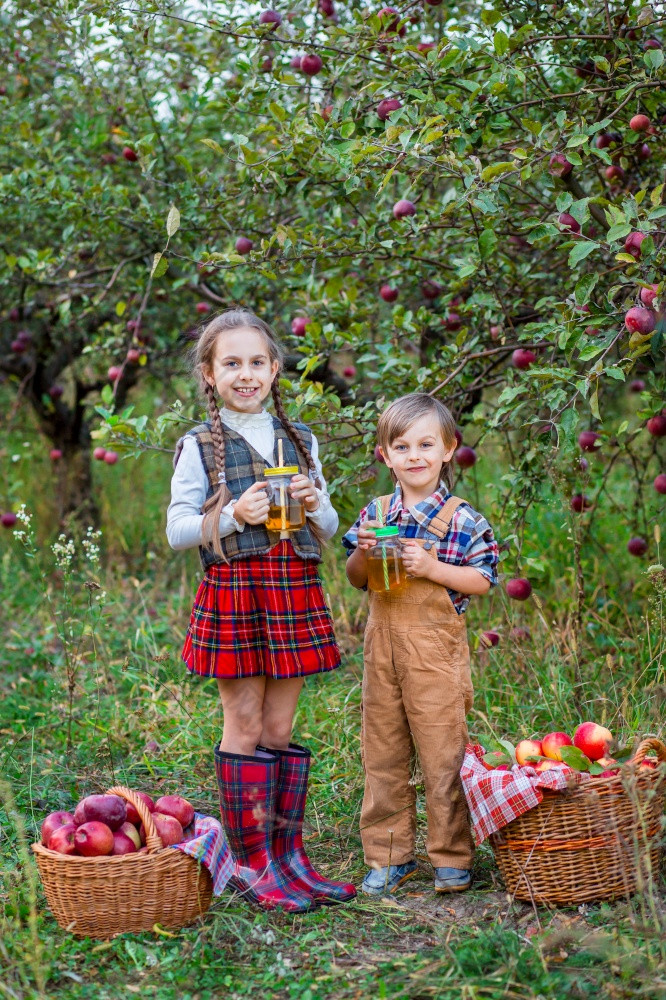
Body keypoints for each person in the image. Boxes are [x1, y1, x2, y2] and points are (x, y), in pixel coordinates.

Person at [166, 307, 356, 913]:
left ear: (275, 368)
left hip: (291, 587)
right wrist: (233, 516)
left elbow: (328, 525)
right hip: (237, 591)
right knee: (245, 725)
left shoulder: (300, 438)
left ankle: (287, 858)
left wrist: (314, 499)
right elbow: (176, 530)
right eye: (231, 364)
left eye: (256, 363)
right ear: (209, 373)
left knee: (280, 729)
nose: (245, 374)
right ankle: (251, 865)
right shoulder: (198, 445)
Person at [342, 393, 498, 896]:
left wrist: (433, 569)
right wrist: (365, 554)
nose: (415, 455)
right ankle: (389, 857)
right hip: (381, 650)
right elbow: (354, 578)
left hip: (434, 654)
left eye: (426, 444)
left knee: (442, 753)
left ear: (448, 448)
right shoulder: (375, 511)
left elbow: (484, 579)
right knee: (382, 751)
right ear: (385, 455)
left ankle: (451, 856)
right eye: (401, 445)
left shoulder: (463, 519)